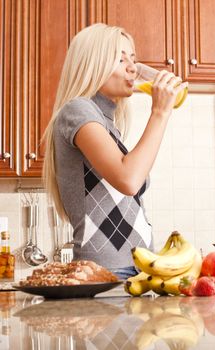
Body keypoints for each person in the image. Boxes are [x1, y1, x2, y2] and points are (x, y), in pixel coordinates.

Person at [42, 23, 187, 280]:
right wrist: (160, 112)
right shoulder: (77, 110)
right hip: (106, 273)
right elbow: (128, 179)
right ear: (92, 64)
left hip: (138, 269)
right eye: (120, 59)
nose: (132, 67)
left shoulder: (107, 124)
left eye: (133, 59)